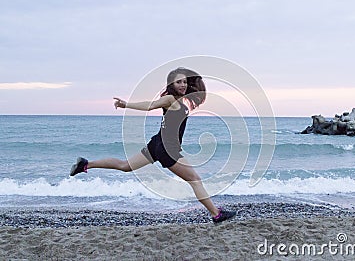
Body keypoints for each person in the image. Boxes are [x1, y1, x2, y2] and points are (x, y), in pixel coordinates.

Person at [70, 67, 236, 224]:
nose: (183, 85)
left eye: (184, 82)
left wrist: (193, 80)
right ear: (171, 84)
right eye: (179, 82)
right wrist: (126, 105)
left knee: (125, 166)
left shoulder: (180, 99)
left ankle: (86, 164)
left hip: (157, 143)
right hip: (167, 149)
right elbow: (150, 105)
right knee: (195, 180)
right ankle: (216, 214)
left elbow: (197, 87)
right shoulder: (169, 99)